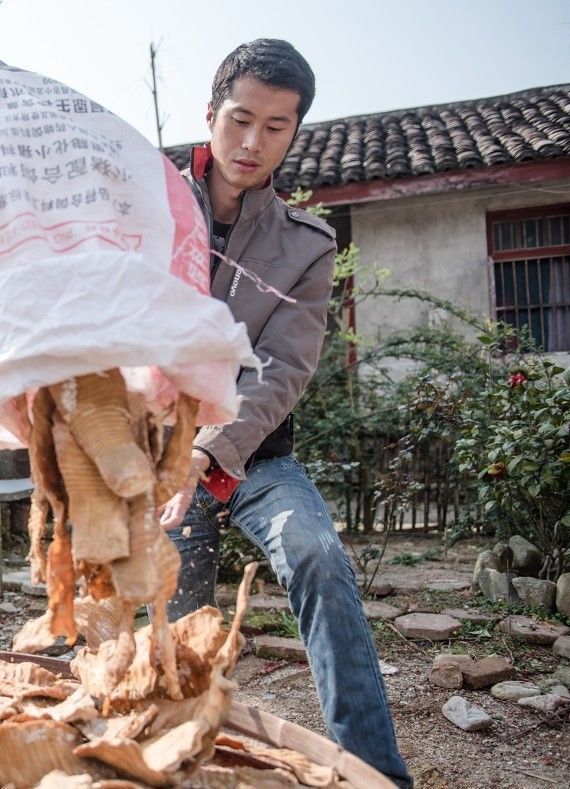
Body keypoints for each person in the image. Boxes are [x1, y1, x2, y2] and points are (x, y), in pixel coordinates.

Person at [154, 39, 413, 787]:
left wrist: (208, 450)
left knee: (317, 553)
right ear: (210, 113)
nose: (252, 142)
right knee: (165, 619)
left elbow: (283, 369)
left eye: (276, 127)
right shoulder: (149, 208)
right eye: (240, 119)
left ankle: (375, 772)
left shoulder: (306, 246)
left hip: (251, 456)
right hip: (154, 458)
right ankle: (153, 760)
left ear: (294, 132)